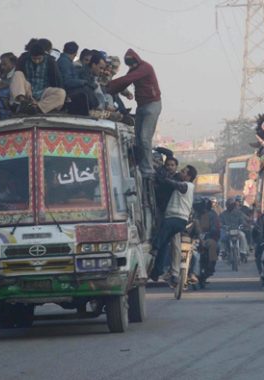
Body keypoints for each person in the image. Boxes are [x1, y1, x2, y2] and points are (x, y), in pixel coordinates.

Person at [108, 49, 161, 178]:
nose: (131, 66)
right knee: (138, 139)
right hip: (142, 106)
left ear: (136, 60)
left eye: (132, 63)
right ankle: (139, 166)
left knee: (144, 138)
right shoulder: (135, 69)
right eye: (129, 64)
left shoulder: (145, 68)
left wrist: (109, 86)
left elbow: (128, 79)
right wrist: (118, 90)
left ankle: (148, 170)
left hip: (152, 105)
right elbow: (125, 82)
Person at [149, 165, 198, 284]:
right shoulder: (183, 184)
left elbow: (175, 184)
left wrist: (163, 178)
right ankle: (157, 271)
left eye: (183, 171)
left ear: (189, 176)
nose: (180, 172)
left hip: (176, 218)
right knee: (165, 245)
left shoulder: (187, 185)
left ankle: (154, 249)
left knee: (160, 237)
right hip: (176, 219)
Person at [11, 42, 66, 114]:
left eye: (39, 59)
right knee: (18, 74)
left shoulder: (50, 61)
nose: (37, 61)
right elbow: (18, 79)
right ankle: (23, 103)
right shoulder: (24, 59)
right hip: (28, 91)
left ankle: (37, 108)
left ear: (43, 55)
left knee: (61, 93)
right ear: (30, 56)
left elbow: (57, 80)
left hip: (43, 91)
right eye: (34, 59)